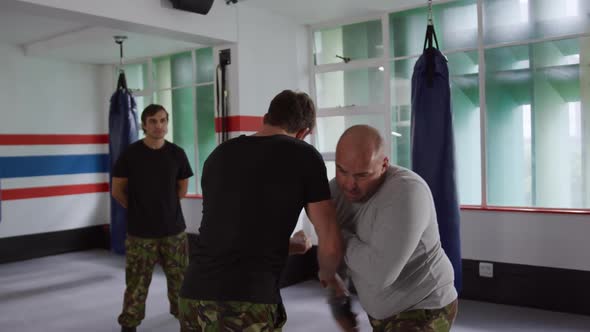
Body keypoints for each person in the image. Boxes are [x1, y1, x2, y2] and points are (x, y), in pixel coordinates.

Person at [179, 90, 346, 331]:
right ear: (304, 133)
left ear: (265, 117)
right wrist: (329, 276)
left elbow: (228, 235)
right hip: (248, 299)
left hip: (194, 293)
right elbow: (329, 240)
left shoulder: (219, 155)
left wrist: (289, 245)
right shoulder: (305, 156)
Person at [329, 125, 458, 332]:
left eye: (362, 175)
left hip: (423, 305)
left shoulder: (406, 192)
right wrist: (339, 305)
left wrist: (335, 234)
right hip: (380, 312)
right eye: (342, 171)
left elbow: (381, 274)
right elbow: (331, 255)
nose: (349, 184)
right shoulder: (336, 190)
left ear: (384, 165)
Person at [111, 104, 194, 332]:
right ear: (144, 125)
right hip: (140, 234)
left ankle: (185, 322)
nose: (159, 125)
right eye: (153, 121)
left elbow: (182, 190)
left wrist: (163, 208)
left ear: (167, 123)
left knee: (181, 283)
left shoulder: (177, 153)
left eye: (163, 120)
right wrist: (138, 209)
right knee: (136, 284)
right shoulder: (130, 154)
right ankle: (129, 324)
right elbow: (117, 191)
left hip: (173, 232)